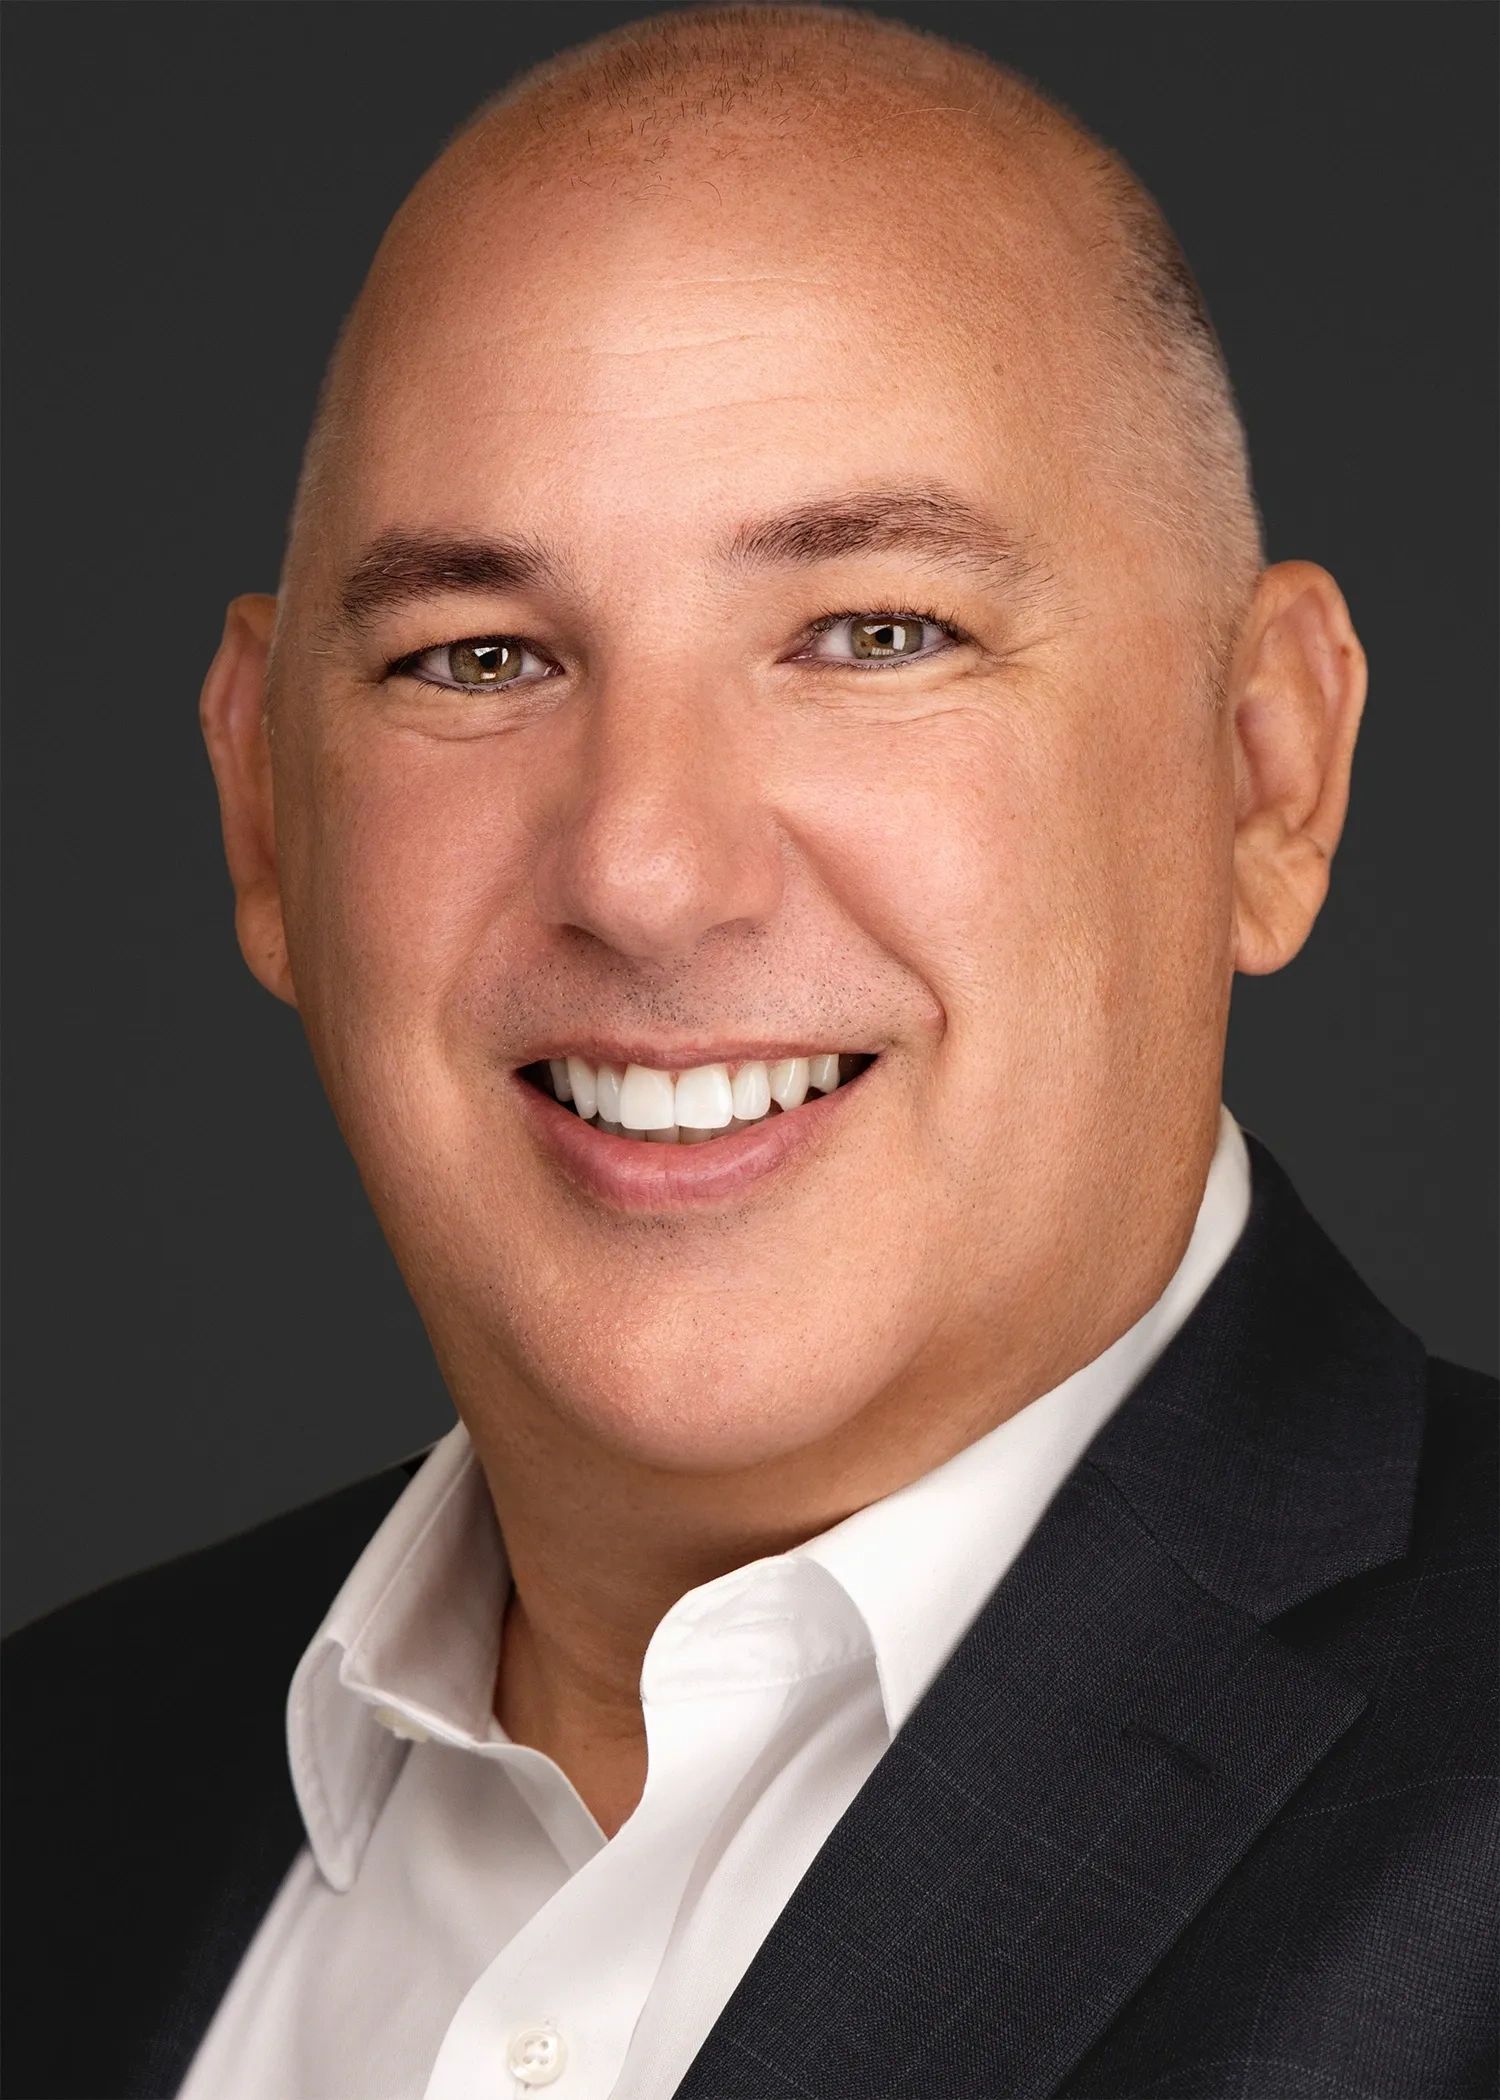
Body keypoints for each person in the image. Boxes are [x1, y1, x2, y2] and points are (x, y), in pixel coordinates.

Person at [4, 5, 1495, 2096]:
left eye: (877, 633)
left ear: (1265, 774)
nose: (642, 868)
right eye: (479, 656)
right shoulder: (56, 1790)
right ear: (267, 813)